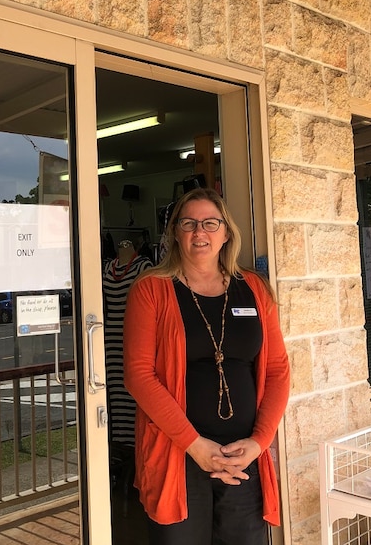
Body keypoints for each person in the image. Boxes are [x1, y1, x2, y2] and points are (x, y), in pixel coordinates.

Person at [123, 187, 290, 545]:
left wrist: (259, 442)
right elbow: (139, 375)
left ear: (226, 232)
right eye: (189, 223)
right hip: (178, 454)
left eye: (210, 223)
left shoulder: (256, 290)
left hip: (243, 457)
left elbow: (277, 370)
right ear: (175, 233)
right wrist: (196, 445)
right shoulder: (150, 289)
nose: (200, 232)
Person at [103, 239, 153, 448]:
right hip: (109, 339)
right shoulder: (107, 268)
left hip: (133, 334)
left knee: (134, 388)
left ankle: (135, 445)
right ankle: (118, 445)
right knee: (114, 392)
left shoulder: (145, 267)